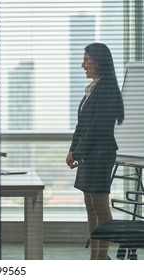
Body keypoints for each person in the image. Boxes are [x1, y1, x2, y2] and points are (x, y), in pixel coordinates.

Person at [66, 43, 124, 260]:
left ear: (100, 62)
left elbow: (98, 127)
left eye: (87, 60)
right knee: (90, 205)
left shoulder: (107, 89)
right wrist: (72, 149)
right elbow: (81, 125)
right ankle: (96, 256)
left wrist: (77, 153)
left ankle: (102, 257)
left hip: (100, 154)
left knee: (100, 204)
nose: (83, 65)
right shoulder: (93, 88)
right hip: (89, 154)